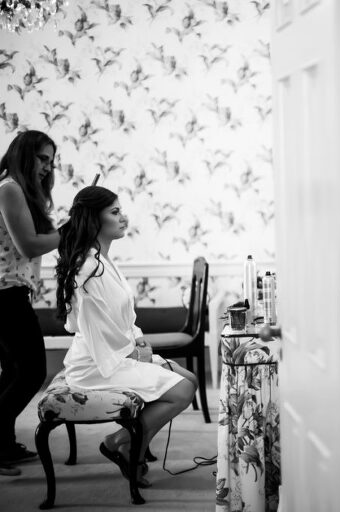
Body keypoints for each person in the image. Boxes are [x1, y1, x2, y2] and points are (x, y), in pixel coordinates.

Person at [56, 186, 197, 487]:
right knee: (183, 390)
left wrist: (138, 338)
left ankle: (132, 446)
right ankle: (119, 443)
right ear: (94, 219)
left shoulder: (102, 259)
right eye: (115, 212)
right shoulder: (88, 268)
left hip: (119, 352)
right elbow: (91, 330)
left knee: (191, 380)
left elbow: (121, 316)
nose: (124, 218)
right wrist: (134, 354)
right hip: (98, 364)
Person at [0, 131, 61, 474]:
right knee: (32, 371)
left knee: (13, 371)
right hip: (4, 294)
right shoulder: (9, 188)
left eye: (51, 161)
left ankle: (4, 445)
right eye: (42, 158)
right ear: (25, 155)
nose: (48, 167)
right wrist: (67, 232)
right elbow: (29, 245)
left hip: (10, 291)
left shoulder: (14, 190)